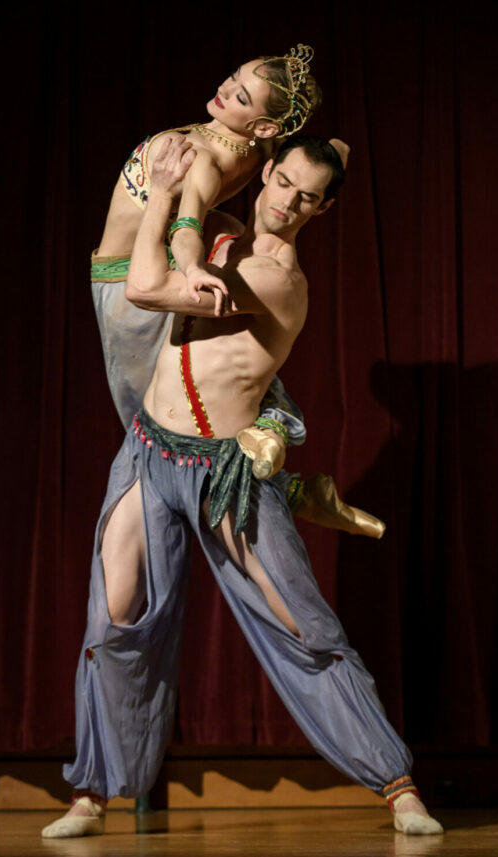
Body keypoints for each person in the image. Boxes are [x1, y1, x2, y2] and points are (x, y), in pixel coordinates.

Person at [42, 135, 443, 838]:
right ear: (266, 171)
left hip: (223, 471)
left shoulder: (279, 280)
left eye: (306, 197)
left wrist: (170, 202)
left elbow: (145, 286)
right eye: (282, 181)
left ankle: (397, 784)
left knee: (301, 623)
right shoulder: (220, 236)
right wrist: (185, 188)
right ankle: (92, 793)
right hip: (148, 453)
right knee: (114, 617)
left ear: (322, 209)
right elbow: (183, 207)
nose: (286, 202)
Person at [92, 44, 384, 537]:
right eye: (234, 77)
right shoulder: (263, 149)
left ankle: (288, 489)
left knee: (151, 425)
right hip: (163, 256)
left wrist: (193, 268)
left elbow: (187, 226)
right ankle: (284, 455)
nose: (225, 90)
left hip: (125, 284)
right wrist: (337, 149)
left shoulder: (206, 159)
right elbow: (335, 149)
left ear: (265, 127)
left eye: (243, 96)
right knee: (210, 378)